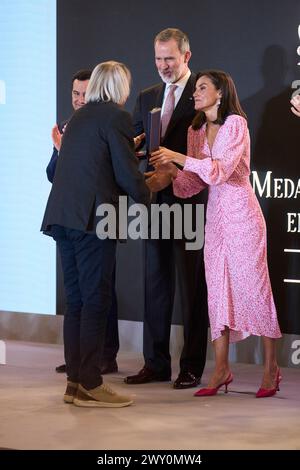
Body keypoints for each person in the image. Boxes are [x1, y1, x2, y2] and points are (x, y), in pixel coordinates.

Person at [150, 69, 282, 398]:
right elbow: (195, 182)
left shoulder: (235, 124)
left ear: (220, 93)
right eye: (195, 88)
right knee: (217, 292)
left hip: (243, 215)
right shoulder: (197, 129)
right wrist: (171, 173)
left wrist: (179, 158)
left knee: (255, 289)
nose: (195, 92)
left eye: (202, 87)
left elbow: (220, 170)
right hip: (216, 219)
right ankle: (221, 369)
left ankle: (271, 368)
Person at [41, 61, 150, 407]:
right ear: (119, 86)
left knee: (76, 302)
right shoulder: (115, 116)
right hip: (92, 221)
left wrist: (125, 150)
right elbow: (125, 175)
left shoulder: (80, 118)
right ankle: (90, 383)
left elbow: (95, 162)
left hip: (62, 218)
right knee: (95, 301)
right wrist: (150, 187)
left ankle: (75, 382)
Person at [125, 28, 208, 389]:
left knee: (192, 288)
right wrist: (136, 148)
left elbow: (211, 154)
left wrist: (177, 169)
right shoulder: (146, 97)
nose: (163, 65)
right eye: (158, 59)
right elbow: (134, 144)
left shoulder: (204, 95)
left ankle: (191, 366)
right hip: (155, 201)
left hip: (191, 200)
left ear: (186, 56)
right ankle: (155, 364)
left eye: (169, 58)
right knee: (155, 284)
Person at [47, 69, 119, 376]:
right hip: (71, 219)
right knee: (80, 295)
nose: (78, 100)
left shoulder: (105, 122)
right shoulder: (66, 128)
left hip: (98, 216)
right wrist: (64, 152)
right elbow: (52, 173)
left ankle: (104, 356)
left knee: (99, 291)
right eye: (74, 94)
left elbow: (106, 171)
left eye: (84, 94)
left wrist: (69, 153)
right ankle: (78, 361)